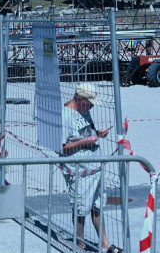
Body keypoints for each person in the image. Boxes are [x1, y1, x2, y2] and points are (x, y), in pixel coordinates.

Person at [61, 82, 122, 253]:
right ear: (79, 98)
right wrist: (84, 142)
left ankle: (105, 243)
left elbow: (89, 132)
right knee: (81, 208)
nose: (92, 106)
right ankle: (79, 242)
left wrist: (97, 134)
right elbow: (62, 148)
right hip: (79, 170)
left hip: (94, 166)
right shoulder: (65, 116)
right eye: (90, 102)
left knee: (98, 205)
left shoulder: (84, 110)